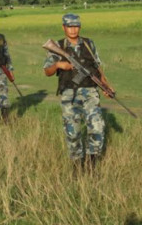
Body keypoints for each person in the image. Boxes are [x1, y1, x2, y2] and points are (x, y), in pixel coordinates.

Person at [43, 13, 111, 174]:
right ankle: (76, 166)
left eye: (76, 26)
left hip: (90, 92)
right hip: (69, 94)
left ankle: (90, 165)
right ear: (63, 27)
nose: (73, 29)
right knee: (73, 132)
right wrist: (59, 64)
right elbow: (47, 71)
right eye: (69, 26)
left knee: (97, 128)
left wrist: (105, 85)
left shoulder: (89, 44)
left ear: (79, 27)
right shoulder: (58, 46)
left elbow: (97, 67)